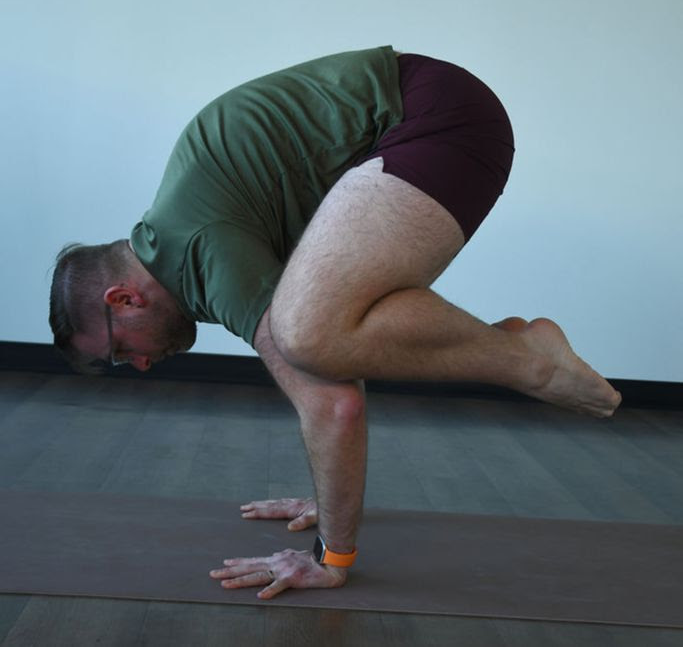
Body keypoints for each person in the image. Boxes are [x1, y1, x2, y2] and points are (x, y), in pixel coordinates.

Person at [49, 46, 622, 600]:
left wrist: (332, 557)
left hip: (428, 116)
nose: (142, 364)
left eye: (122, 352)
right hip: (431, 116)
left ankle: (530, 360)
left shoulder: (198, 251)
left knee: (308, 334)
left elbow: (332, 403)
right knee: (322, 332)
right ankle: (525, 356)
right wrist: (330, 499)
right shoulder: (187, 248)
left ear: (123, 299)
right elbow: (337, 369)